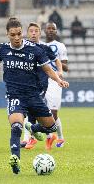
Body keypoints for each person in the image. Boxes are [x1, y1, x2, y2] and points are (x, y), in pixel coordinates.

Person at [0, 18, 69, 174]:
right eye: (13, 35)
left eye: (19, 34)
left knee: (51, 127)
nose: (16, 38)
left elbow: (48, 69)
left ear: (22, 32)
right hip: (15, 96)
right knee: (16, 127)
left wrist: (58, 80)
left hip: (33, 96)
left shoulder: (34, 49)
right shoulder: (3, 49)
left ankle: (33, 127)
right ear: (7, 34)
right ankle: (15, 159)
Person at [21, 22, 63, 150]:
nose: (33, 33)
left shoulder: (44, 47)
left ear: (40, 33)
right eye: (31, 31)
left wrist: (60, 71)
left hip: (40, 85)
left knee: (35, 111)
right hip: (26, 84)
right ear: (27, 33)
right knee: (30, 112)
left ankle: (30, 138)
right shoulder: (22, 47)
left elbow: (56, 60)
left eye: (36, 31)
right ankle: (44, 135)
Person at [44, 22, 69, 148]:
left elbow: (66, 67)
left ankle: (60, 137)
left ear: (56, 31)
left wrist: (54, 59)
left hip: (56, 81)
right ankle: (49, 137)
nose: (50, 30)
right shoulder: (40, 45)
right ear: (44, 31)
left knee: (53, 112)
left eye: (53, 28)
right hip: (42, 80)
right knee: (41, 110)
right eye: (48, 28)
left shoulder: (60, 46)